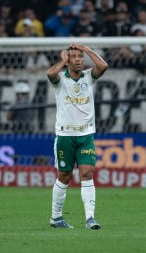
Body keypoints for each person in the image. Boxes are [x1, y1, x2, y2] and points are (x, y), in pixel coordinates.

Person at [46, 43, 108, 229]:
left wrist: (87, 49)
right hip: (65, 135)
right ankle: (56, 217)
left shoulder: (89, 77)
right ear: (67, 59)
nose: (79, 60)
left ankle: (90, 218)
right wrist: (62, 61)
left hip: (86, 134)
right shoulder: (60, 80)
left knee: (87, 173)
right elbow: (50, 74)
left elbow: (103, 66)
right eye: (74, 56)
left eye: (80, 57)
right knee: (64, 176)